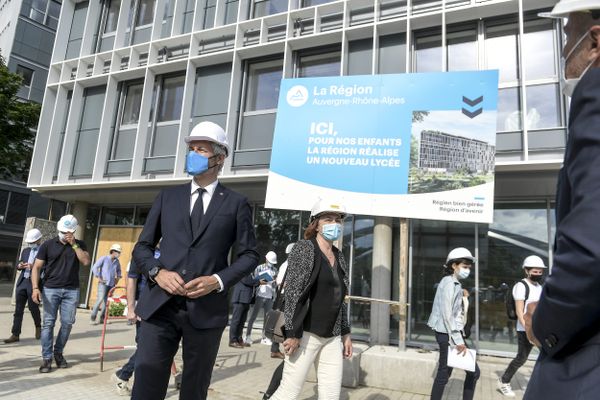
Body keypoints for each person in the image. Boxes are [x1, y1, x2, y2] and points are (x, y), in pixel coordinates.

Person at [131, 121, 259, 400]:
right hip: (159, 307)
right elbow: (142, 248)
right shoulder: (168, 197)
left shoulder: (236, 203)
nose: (193, 154)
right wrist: (156, 272)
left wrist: (217, 280)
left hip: (206, 310)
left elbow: (250, 255)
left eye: (200, 149)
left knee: (194, 389)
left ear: (220, 157)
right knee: (146, 385)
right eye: (191, 149)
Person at [523, 3, 600, 400]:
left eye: (568, 34)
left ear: (596, 41)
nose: (563, 47)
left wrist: (546, 322)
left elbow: (593, 244)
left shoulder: (596, 94)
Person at [270, 199, 352, 400]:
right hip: (305, 334)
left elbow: (340, 298)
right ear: (316, 224)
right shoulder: (305, 248)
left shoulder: (339, 255)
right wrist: (292, 333)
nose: (334, 223)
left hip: (332, 337)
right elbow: (293, 294)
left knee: (331, 395)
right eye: (328, 218)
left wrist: (346, 333)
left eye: (338, 219)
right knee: (289, 393)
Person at [31, 215, 91, 373]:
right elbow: (36, 267)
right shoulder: (47, 245)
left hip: (72, 290)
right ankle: (47, 358)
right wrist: (35, 288)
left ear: (73, 231)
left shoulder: (80, 244)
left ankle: (58, 353)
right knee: (48, 323)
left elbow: (85, 261)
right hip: (50, 289)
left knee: (67, 323)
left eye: (67, 232)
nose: (63, 234)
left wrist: (74, 245)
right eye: (61, 231)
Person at [428, 247, 480, 400]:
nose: (467, 270)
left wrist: (461, 293)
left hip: (448, 333)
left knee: (447, 373)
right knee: (460, 373)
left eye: (469, 267)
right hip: (448, 335)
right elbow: (447, 314)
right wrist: (458, 341)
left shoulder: (452, 283)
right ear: (453, 266)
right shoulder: (450, 284)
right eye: (464, 267)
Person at [497, 255, 546, 397]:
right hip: (525, 328)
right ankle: (504, 381)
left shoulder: (540, 286)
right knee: (522, 358)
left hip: (538, 327)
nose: (538, 274)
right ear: (526, 270)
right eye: (535, 271)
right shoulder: (521, 286)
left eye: (540, 271)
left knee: (546, 355)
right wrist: (528, 330)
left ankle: (538, 385)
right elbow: (520, 311)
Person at [4, 228, 43, 343]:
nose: (31, 244)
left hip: (34, 283)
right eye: (29, 242)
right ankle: (15, 334)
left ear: (39, 240)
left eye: (33, 242)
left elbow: (47, 267)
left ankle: (38, 326)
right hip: (22, 282)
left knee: (33, 307)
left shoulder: (43, 252)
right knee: (18, 310)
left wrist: (34, 267)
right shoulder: (25, 251)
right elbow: (18, 263)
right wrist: (20, 266)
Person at [245, 251, 278, 346]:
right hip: (260, 295)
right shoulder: (259, 268)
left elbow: (276, 284)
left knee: (267, 319)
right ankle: (247, 336)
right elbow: (253, 281)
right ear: (266, 259)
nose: (271, 263)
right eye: (270, 261)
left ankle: (265, 337)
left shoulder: (275, 270)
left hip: (269, 297)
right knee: (253, 317)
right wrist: (260, 281)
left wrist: (274, 281)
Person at [90, 243, 122, 325]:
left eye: (119, 252)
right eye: (118, 252)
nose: (119, 254)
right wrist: (99, 277)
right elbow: (95, 267)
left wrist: (117, 278)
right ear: (113, 251)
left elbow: (119, 271)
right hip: (103, 283)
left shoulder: (116, 261)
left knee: (106, 302)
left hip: (111, 284)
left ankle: (102, 319)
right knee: (100, 299)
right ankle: (92, 318)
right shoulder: (104, 258)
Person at [229, 272, 258, 348]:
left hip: (246, 299)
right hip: (240, 298)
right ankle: (233, 340)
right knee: (236, 320)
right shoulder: (243, 270)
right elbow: (246, 281)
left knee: (242, 321)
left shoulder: (251, 272)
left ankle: (239, 339)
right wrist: (258, 281)